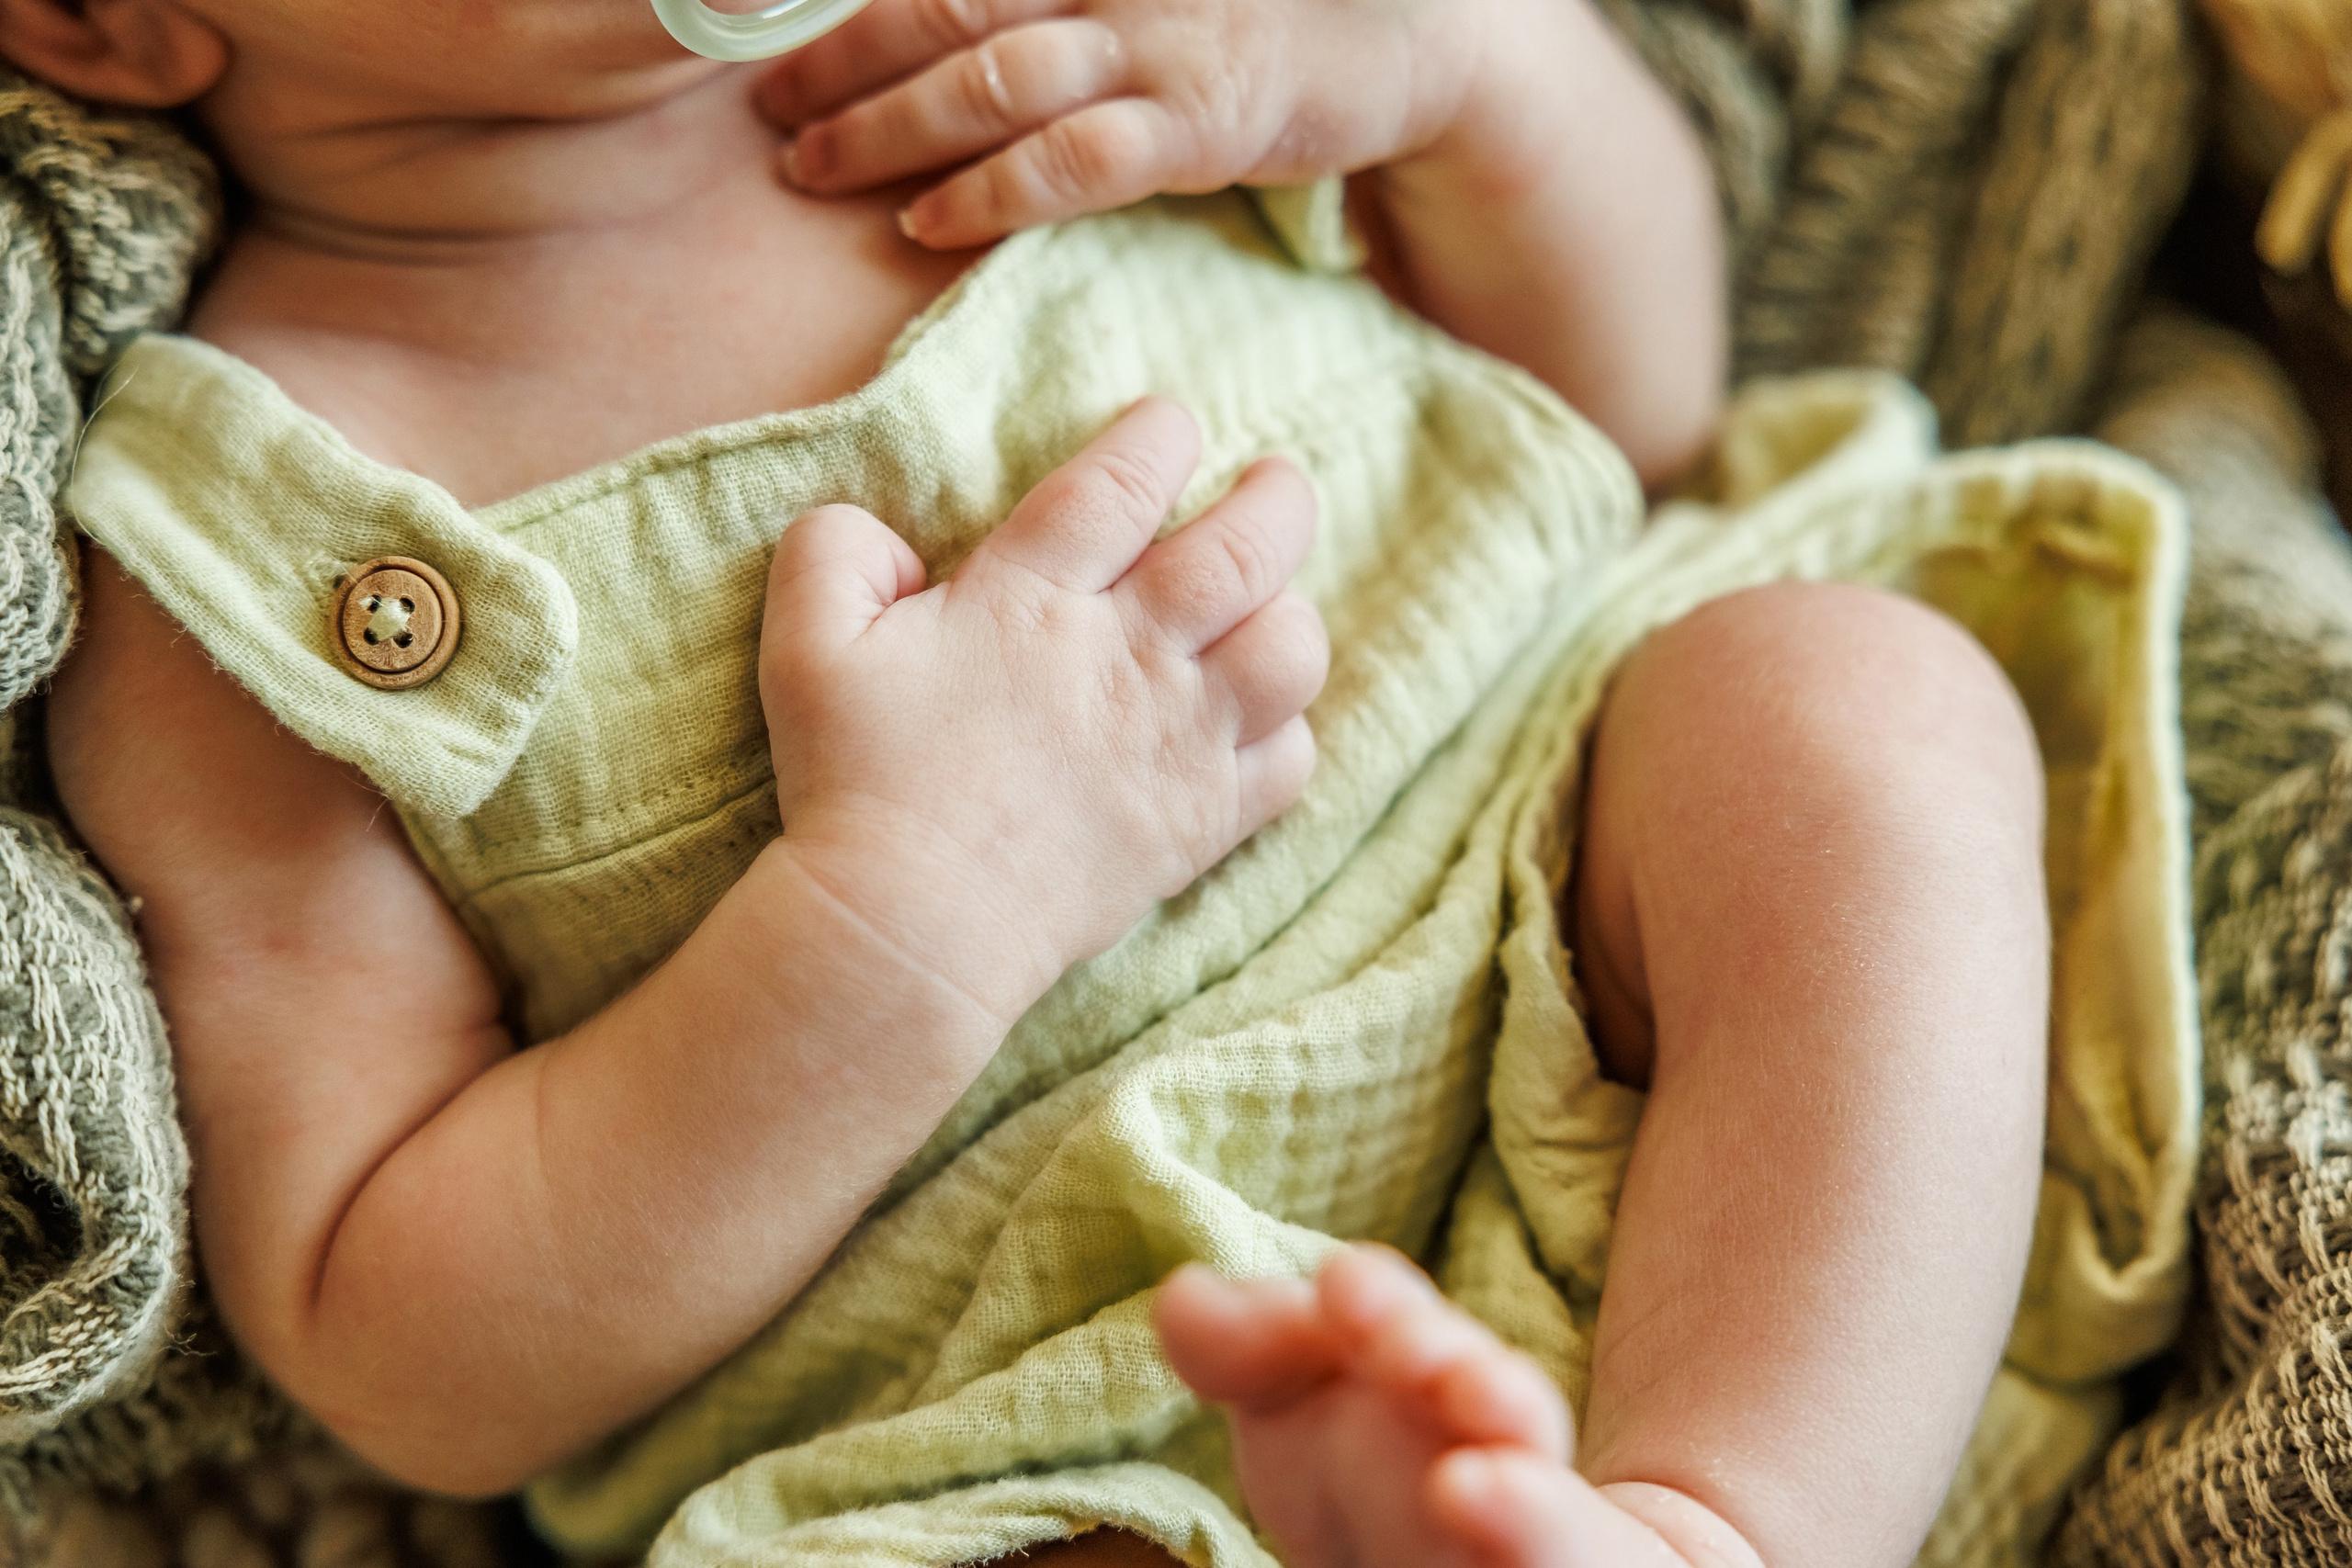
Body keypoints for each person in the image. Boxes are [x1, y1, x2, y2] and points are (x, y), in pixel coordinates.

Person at [5, 0, 2049, 1563]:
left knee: (1845, 707)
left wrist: (1458, 69)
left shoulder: (1077, 46)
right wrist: (920, 905)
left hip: (1579, 887)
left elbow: (1638, 411)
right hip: (1031, 1408)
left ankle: (1721, 1517)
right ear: (102, 19)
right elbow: (397, 1340)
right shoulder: (232, 574)